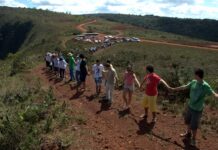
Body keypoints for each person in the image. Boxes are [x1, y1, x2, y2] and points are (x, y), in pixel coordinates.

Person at [170, 68, 218, 146]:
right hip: (190, 106)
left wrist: (216, 95)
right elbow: (185, 86)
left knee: (194, 126)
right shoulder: (193, 82)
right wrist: (174, 89)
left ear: (198, 75)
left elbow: (213, 93)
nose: (194, 76)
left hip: (197, 109)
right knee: (188, 121)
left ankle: (194, 139)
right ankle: (188, 134)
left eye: (195, 74)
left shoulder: (205, 86)